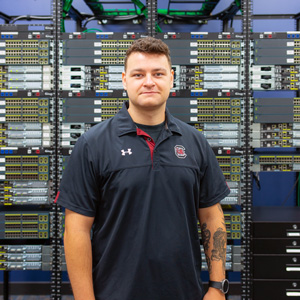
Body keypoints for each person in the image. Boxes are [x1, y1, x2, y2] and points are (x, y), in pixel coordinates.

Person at [56, 36, 230, 300]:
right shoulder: (93, 144)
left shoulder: (195, 142)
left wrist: (217, 287)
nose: (149, 81)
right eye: (139, 74)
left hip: (184, 292)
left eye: (158, 73)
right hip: (114, 293)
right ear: (125, 80)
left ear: (171, 78)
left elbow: (211, 216)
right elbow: (76, 229)